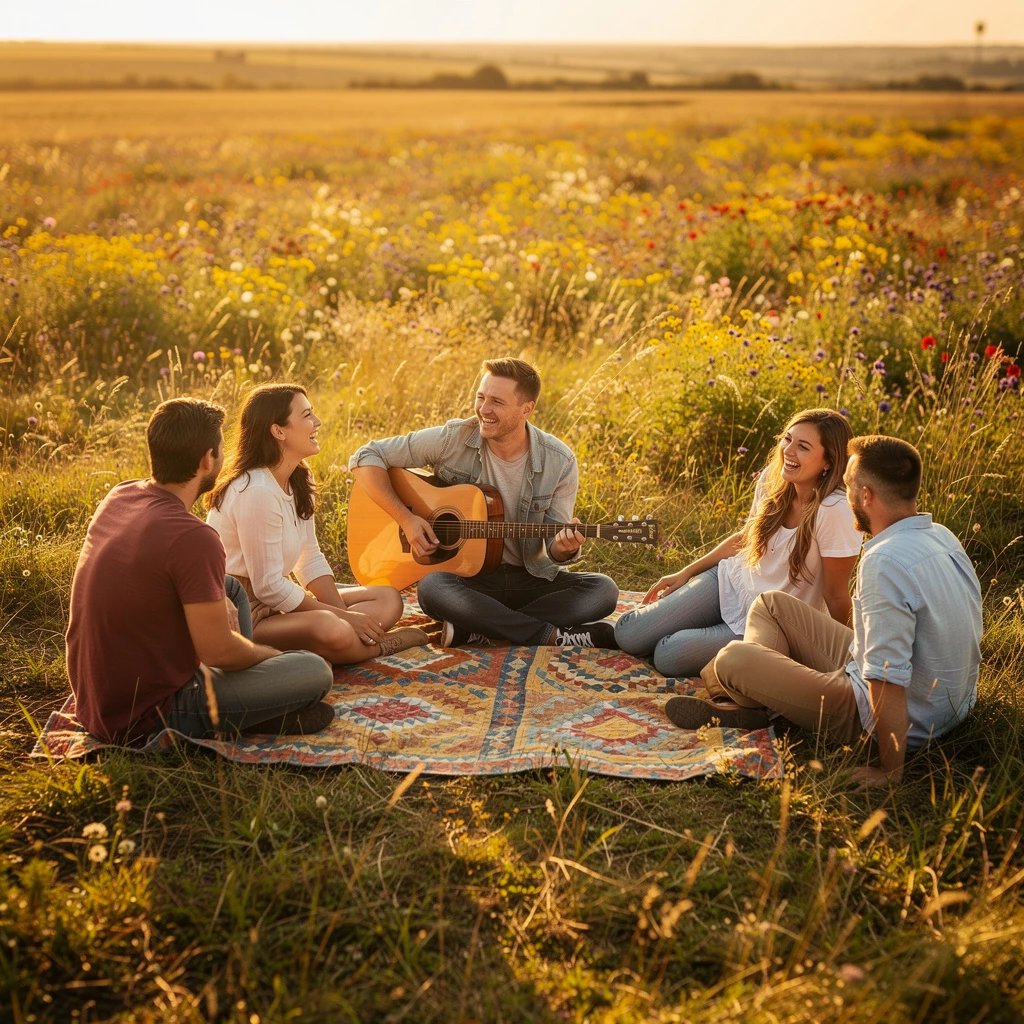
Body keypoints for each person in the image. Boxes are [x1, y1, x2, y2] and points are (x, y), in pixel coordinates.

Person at [667, 435, 983, 789]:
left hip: (887, 716)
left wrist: (890, 771)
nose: (844, 498)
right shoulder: (940, 536)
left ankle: (739, 699)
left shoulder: (884, 562)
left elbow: (887, 677)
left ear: (866, 496)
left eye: (847, 486)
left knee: (731, 659)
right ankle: (753, 704)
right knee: (770, 604)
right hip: (941, 701)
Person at [66, 397, 335, 743]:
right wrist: (275, 660)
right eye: (222, 449)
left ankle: (251, 702)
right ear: (208, 460)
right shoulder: (194, 538)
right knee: (314, 670)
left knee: (231, 589)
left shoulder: (123, 495)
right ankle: (245, 712)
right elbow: (218, 652)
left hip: (98, 698)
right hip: (148, 714)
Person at [348, 357, 620, 648]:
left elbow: (553, 547)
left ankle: (477, 628)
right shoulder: (454, 438)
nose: (483, 410)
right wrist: (405, 518)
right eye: (481, 397)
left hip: (529, 579)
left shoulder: (559, 461)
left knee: (603, 591)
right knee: (432, 588)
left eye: (497, 402)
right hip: (468, 580)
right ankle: (547, 635)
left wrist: (564, 549)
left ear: (526, 409)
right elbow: (366, 457)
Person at [615, 408, 862, 677]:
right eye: (787, 439)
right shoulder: (774, 478)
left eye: (803, 447)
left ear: (829, 461)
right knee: (629, 634)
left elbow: (836, 594)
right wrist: (686, 572)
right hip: (731, 583)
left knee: (668, 655)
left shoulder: (836, 510)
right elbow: (747, 537)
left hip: (767, 620)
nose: (788, 451)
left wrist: (849, 655)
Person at [206, 384, 427, 663]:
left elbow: (308, 556)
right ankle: (375, 648)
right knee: (330, 628)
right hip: (245, 612)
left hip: (278, 602)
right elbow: (268, 588)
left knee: (388, 600)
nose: (317, 422)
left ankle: (326, 646)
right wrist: (342, 619)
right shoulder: (255, 491)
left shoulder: (300, 476)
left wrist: (347, 618)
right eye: (307, 415)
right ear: (279, 431)